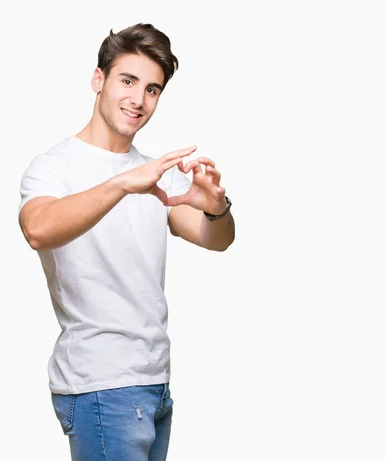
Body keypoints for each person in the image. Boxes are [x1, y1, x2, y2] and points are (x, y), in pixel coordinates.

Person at [17, 23, 235, 461]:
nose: (139, 99)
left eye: (152, 89)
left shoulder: (156, 172)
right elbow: (37, 228)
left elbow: (218, 240)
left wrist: (215, 204)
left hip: (154, 381)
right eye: (128, 81)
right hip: (101, 383)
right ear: (99, 80)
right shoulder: (55, 166)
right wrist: (122, 183)